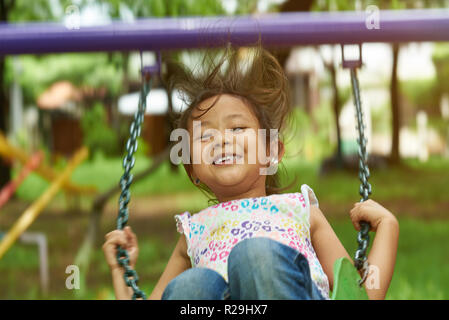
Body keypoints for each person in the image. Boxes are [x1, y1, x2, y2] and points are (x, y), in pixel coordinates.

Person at [103, 42, 399, 300]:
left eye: (237, 127)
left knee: (255, 255)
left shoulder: (298, 210)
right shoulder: (194, 231)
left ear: (271, 151)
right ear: (192, 169)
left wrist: (387, 226)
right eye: (204, 136)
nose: (221, 140)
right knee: (192, 286)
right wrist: (121, 270)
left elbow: (359, 295)